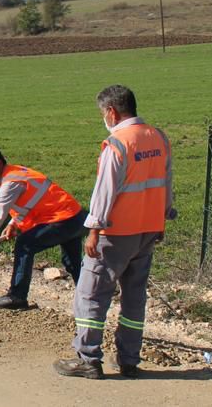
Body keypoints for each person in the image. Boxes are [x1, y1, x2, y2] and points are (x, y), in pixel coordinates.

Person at [54, 85, 174, 380]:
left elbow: (104, 192)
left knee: (91, 295)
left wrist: (94, 230)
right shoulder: (158, 137)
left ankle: (88, 359)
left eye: (103, 113)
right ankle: (129, 360)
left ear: (112, 111)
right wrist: (161, 221)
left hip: (116, 233)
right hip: (147, 230)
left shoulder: (118, 144)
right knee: (134, 297)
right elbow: (165, 182)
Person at [0, 147, 88, 309]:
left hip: (63, 219)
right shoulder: (16, 172)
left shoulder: (10, 183)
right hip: (75, 216)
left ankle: (17, 296)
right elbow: (30, 203)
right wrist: (14, 224)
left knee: (25, 244)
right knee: (72, 262)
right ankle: (90, 296)